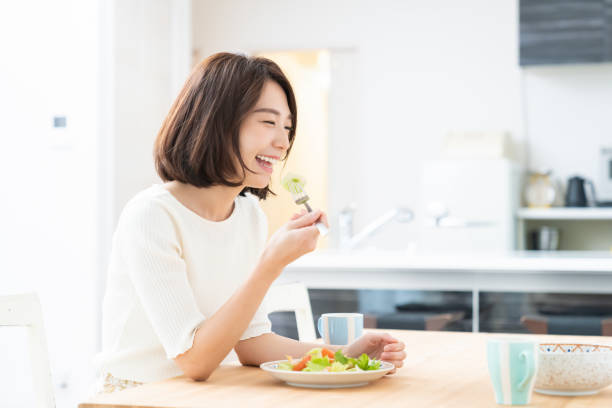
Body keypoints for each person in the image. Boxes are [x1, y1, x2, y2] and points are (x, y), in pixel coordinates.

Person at [94, 52, 406, 392]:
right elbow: (194, 361)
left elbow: (251, 343)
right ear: (216, 121)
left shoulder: (248, 216)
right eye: (269, 123)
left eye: (287, 127)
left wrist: (343, 355)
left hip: (210, 392)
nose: (283, 142)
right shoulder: (153, 215)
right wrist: (271, 263)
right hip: (140, 394)